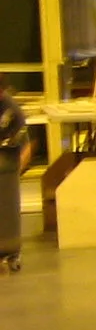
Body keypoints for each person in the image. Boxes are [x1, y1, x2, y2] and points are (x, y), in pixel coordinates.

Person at [0, 87, 27, 271]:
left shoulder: (11, 110)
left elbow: (25, 144)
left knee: (7, 209)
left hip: (7, 164)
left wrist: (19, 168)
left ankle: (10, 252)